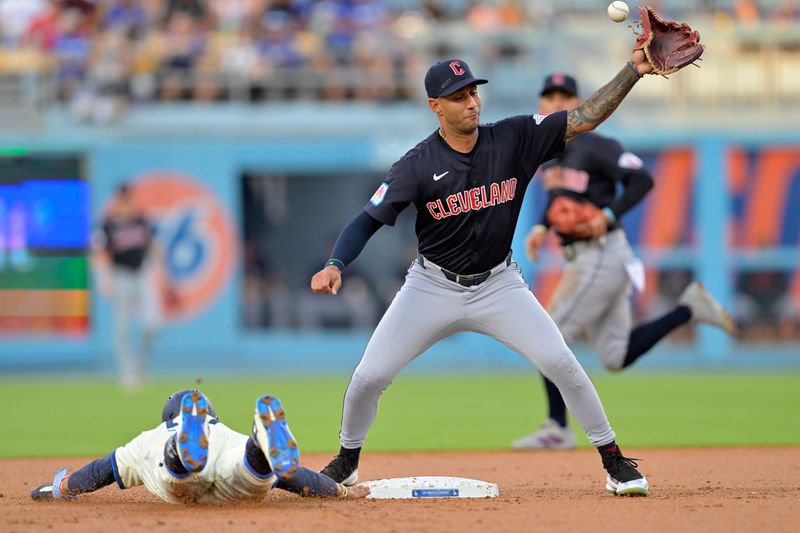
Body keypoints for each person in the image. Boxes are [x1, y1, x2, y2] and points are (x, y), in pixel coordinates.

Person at [309, 47, 679, 497]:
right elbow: (368, 218)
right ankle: (347, 459)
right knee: (369, 377)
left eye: (472, 92)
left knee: (562, 363)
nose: (471, 102)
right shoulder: (417, 164)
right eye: (458, 96)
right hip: (431, 285)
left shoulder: (515, 137)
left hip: (499, 284)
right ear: (435, 106)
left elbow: (583, 117)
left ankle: (615, 460)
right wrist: (335, 263)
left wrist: (634, 71)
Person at [512, 73, 739, 451]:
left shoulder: (597, 145)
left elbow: (641, 180)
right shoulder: (548, 153)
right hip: (591, 259)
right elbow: (564, 201)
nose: (555, 103)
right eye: (548, 96)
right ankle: (687, 310)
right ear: (540, 105)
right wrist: (541, 225)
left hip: (600, 254)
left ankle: (557, 427)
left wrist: (609, 215)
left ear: (578, 102)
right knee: (615, 356)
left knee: (547, 336)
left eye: (563, 96)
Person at [30, 389, 369, 503]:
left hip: (175, 471)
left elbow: (100, 471)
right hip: (232, 465)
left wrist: (60, 487)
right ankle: (259, 445)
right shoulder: (224, 431)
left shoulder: (147, 437)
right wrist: (339, 492)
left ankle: (180, 454)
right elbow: (296, 476)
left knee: (173, 475)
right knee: (250, 473)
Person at [92, 183, 165, 390]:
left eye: (128, 200)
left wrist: (158, 271)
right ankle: (127, 373)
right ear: (116, 202)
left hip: (141, 273)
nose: (125, 205)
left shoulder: (141, 221)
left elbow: (154, 246)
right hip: (120, 275)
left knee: (153, 323)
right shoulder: (107, 225)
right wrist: (103, 279)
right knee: (122, 327)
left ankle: (141, 365)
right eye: (122, 200)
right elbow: (98, 253)